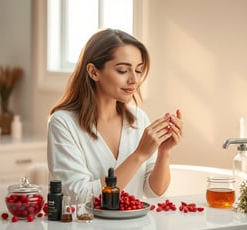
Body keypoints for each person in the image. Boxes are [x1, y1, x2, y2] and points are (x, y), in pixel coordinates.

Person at [47, 28, 183, 200]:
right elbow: (80, 197)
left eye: (139, 70)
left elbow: (154, 191)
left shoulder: (139, 119)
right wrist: (139, 155)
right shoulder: (63, 122)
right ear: (93, 72)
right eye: (122, 70)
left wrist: (164, 152)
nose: (134, 80)